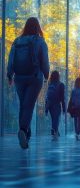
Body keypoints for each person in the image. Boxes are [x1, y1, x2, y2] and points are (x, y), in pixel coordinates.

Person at [7, 17, 49, 149]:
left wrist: (10, 74)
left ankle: (26, 134)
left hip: (19, 77)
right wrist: (46, 74)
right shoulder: (40, 41)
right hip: (34, 77)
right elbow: (45, 61)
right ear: (38, 27)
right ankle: (23, 130)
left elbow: (11, 59)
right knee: (29, 105)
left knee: (23, 104)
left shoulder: (17, 41)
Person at [45, 71, 66, 141]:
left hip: (49, 104)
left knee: (54, 118)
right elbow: (62, 98)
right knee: (56, 118)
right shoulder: (61, 85)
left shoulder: (50, 84)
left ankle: (55, 131)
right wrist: (64, 108)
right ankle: (54, 130)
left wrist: (46, 108)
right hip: (56, 103)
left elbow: (47, 96)